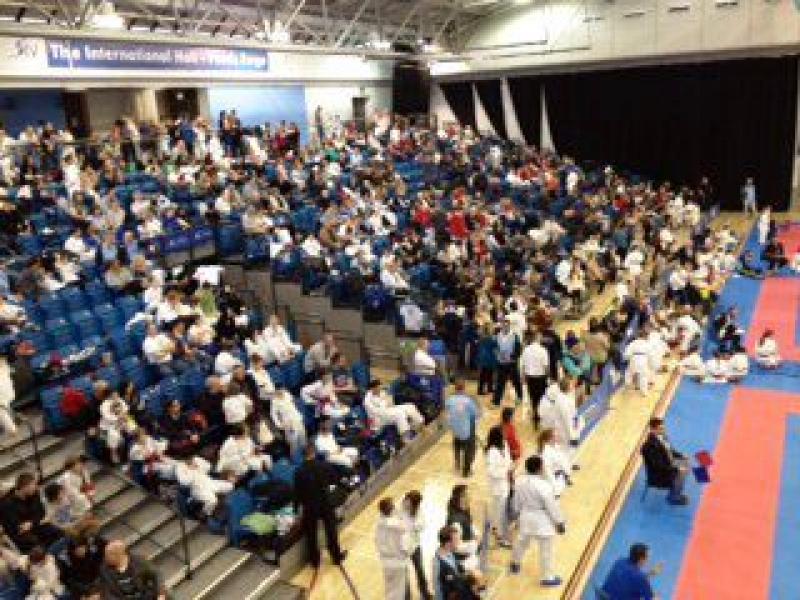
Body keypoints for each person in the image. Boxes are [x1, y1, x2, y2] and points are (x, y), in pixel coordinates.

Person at [509, 455, 566, 586]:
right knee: (546, 550)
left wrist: (517, 514)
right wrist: (559, 522)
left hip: (525, 516)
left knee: (521, 542)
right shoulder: (544, 485)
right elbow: (551, 506)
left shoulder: (519, 481)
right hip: (542, 519)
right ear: (540, 468)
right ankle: (547, 577)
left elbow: (516, 501)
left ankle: (515, 563)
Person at [293, 443, 347, 568]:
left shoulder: (299, 472)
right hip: (325, 503)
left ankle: (314, 561)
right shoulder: (323, 466)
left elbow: (297, 492)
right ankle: (336, 556)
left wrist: (296, 510)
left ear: (303, 455)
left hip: (309, 506)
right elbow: (335, 479)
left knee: (311, 534)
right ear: (314, 452)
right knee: (331, 530)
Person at [641, 417, 690, 505]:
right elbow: (659, 466)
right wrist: (677, 469)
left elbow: (670, 450)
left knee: (686, 464)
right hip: (659, 475)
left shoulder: (663, 437)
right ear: (653, 429)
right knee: (682, 473)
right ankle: (673, 498)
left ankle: (675, 491)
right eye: (660, 429)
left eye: (663, 428)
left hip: (668, 464)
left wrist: (681, 456)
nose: (663, 430)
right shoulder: (650, 446)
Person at [98, 539, 167, 599]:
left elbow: (157, 575)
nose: (105, 558)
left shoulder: (139, 562)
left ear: (119, 555)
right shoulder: (105, 570)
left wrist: (161, 594)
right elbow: (108, 593)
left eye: (108, 556)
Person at [375, 497, 412, 600]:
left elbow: (378, 544)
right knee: (403, 589)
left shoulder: (379, 524)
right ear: (391, 509)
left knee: (391, 589)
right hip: (398, 562)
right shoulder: (398, 526)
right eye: (392, 506)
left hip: (387, 563)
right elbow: (405, 544)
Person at [445, 380, 481, 477]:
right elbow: (476, 415)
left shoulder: (449, 400)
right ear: (464, 388)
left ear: (455, 388)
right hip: (466, 432)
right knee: (471, 449)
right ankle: (466, 471)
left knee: (457, 444)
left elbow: (447, 412)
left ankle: (457, 464)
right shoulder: (468, 401)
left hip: (455, 430)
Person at [485, 425, 513, 547]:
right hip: (497, 486)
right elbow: (492, 472)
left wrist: (510, 469)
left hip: (505, 483)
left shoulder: (505, 444)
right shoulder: (491, 452)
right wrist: (505, 472)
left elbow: (509, 460)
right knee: (500, 511)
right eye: (502, 433)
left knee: (499, 510)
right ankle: (501, 538)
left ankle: (495, 527)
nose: (505, 435)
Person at [403, 490, 433, 600]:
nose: (406, 503)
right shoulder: (398, 510)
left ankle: (424, 592)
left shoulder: (418, 514)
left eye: (409, 502)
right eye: (406, 500)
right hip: (401, 550)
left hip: (415, 547)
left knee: (420, 569)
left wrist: (413, 520)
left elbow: (421, 526)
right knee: (403, 575)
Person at [432, 526, 470, 600]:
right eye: (456, 540)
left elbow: (456, 574)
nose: (459, 542)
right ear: (448, 543)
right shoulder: (437, 563)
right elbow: (437, 589)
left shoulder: (451, 553)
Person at [520, 331, 549, 428]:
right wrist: (547, 378)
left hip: (530, 378)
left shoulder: (526, 350)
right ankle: (541, 417)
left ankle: (535, 417)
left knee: (533, 398)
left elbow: (523, 365)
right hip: (541, 378)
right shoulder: (543, 350)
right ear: (537, 338)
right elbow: (546, 367)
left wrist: (523, 377)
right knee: (542, 398)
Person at [493, 320, 523, 406]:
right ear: (501, 326)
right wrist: (498, 354)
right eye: (504, 326)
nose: (505, 327)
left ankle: (520, 397)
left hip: (512, 363)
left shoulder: (515, 336)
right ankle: (496, 401)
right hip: (501, 363)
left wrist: (513, 357)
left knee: (516, 381)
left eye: (507, 326)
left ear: (509, 326)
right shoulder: (497, 336)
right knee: (500, 382)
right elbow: (495, 348)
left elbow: (519, 349)